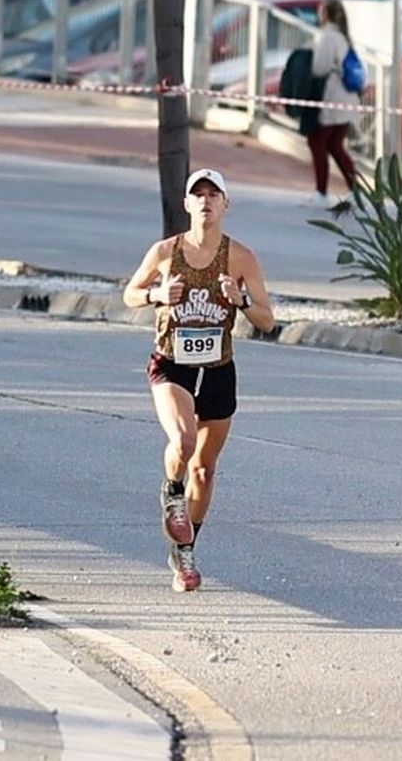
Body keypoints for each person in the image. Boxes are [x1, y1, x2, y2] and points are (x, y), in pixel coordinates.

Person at [123, 169, 276, 593]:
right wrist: (156, 295)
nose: (206, 201)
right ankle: (172, 493)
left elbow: (267, 319)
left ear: (226, 205)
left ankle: (185, 553)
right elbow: (130, 293)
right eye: (198, 195)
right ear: (187, 204)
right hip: (172, 364)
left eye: (214, 194)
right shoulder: (166, 251)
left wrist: (240, 300)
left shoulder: (241, 257)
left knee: (205, 471)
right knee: (184, 442)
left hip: (218, 371)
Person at [307, 0, 359, 208]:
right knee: (335, 144)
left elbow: (320, 67)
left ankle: (321, 192)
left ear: (325, 14)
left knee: (317, 141)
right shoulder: (343, 36)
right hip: (347, 98)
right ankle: (356, 190)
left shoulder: (328, 36)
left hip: (333, 98)